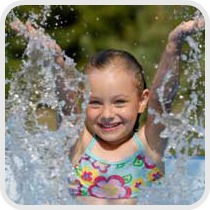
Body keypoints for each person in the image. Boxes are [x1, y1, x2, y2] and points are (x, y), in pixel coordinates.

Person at [10, 17, 205, 205]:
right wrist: (57, 63)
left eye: (119, 102)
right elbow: (67, 108)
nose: (107, 114)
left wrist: (173, 46)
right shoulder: (81, 148)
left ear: (142, 101)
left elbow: (161, 101)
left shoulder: (149, 146)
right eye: (95, 102)